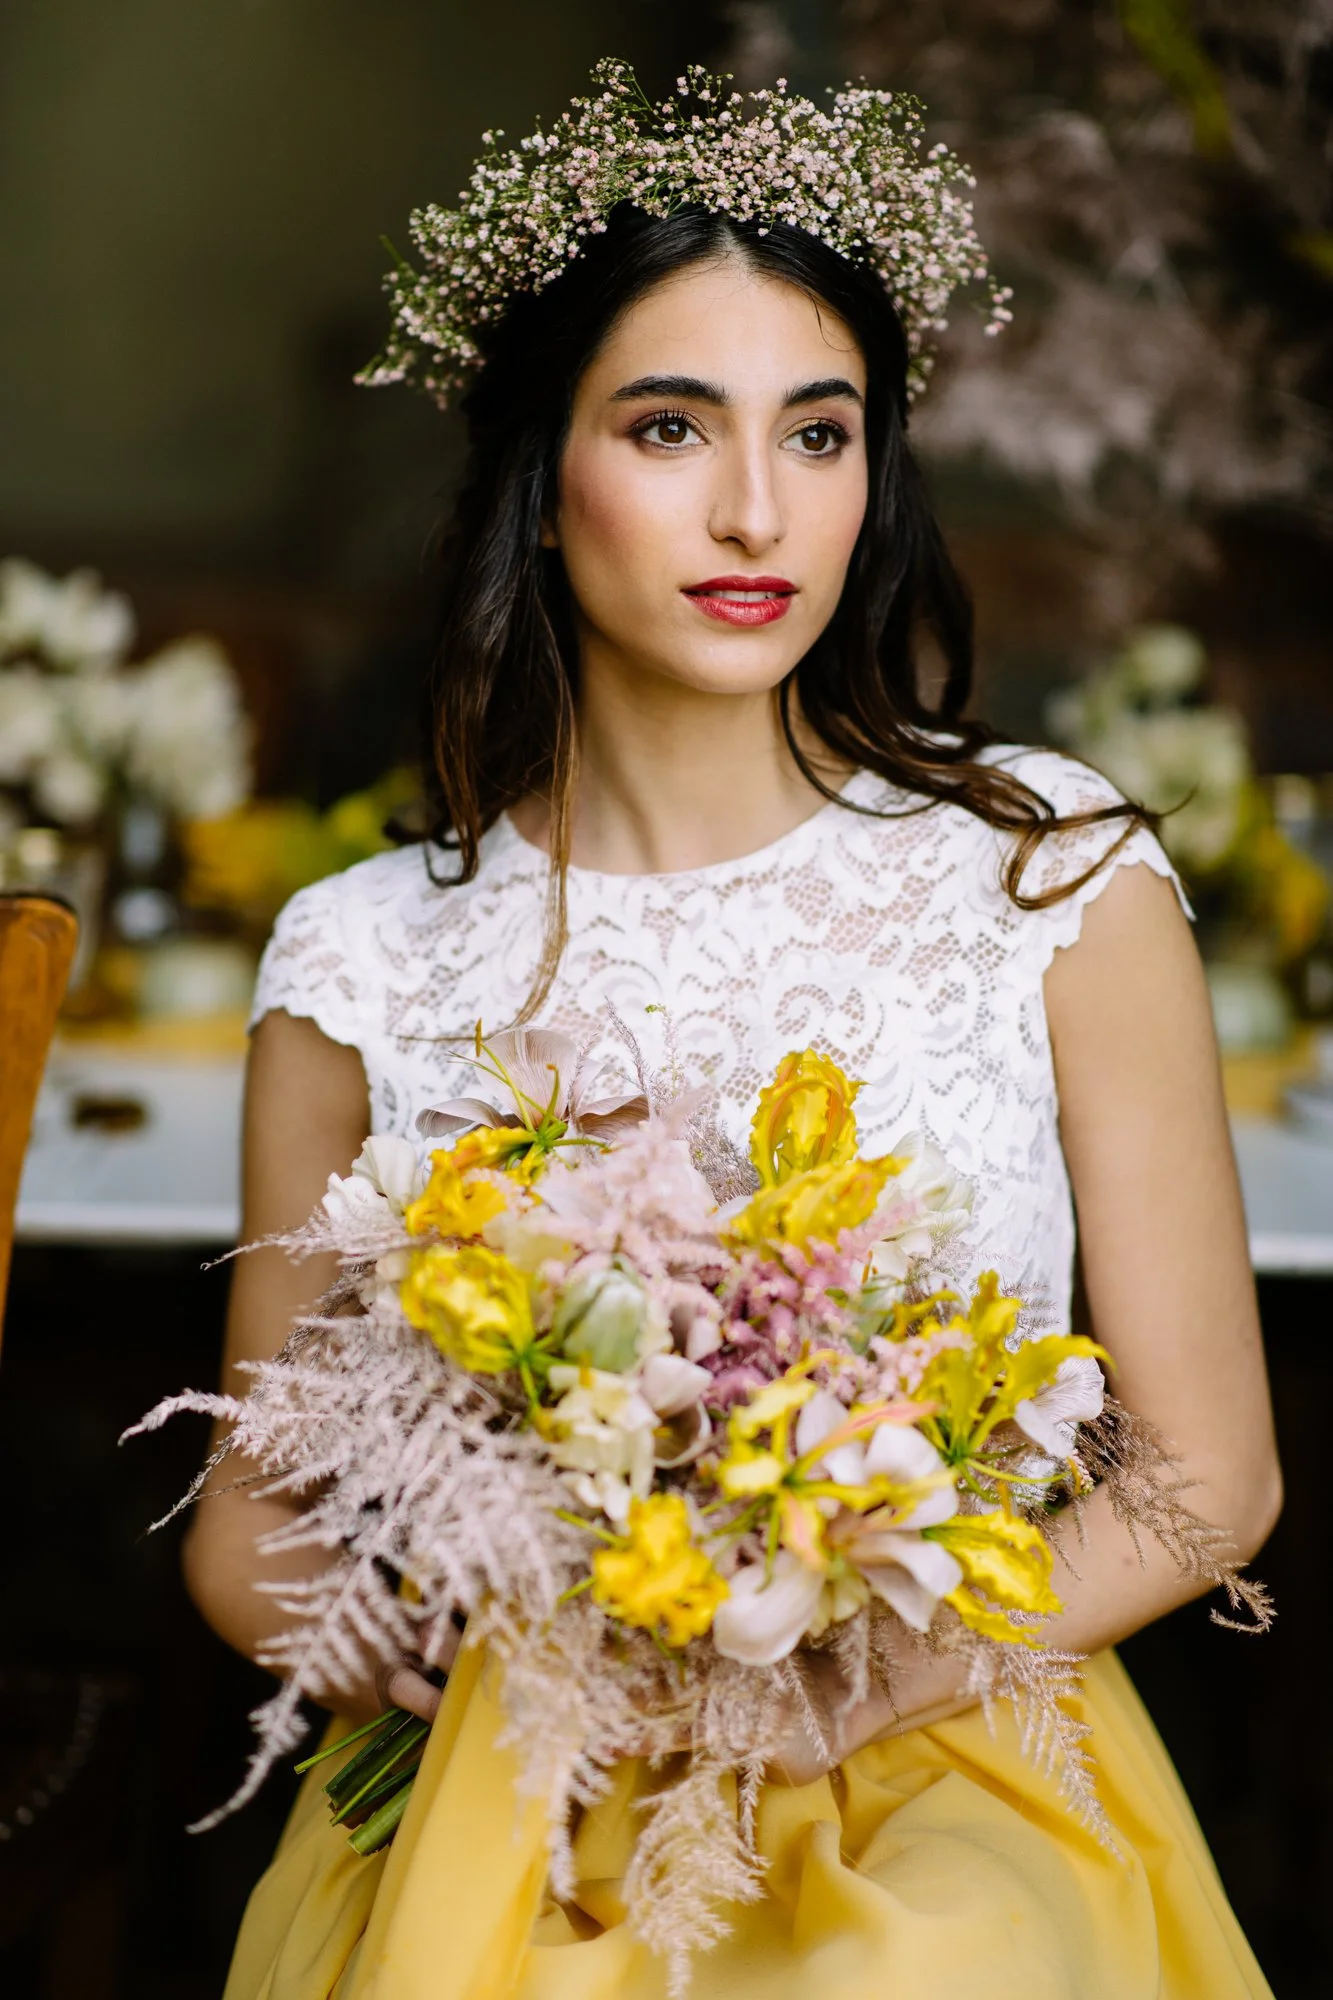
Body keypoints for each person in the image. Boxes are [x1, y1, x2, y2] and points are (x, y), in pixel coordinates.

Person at [185, 64, 1281, 1999]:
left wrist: (831, 1691)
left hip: (955, 1771)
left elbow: (1208, 1485)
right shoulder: (359, 960)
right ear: (544, 484)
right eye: (673, 428)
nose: (758, 507)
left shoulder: (1050, 881)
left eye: (822, 432)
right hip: (509, 1792)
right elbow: (249, 1523)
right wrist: (405, 1640)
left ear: (877, 477)